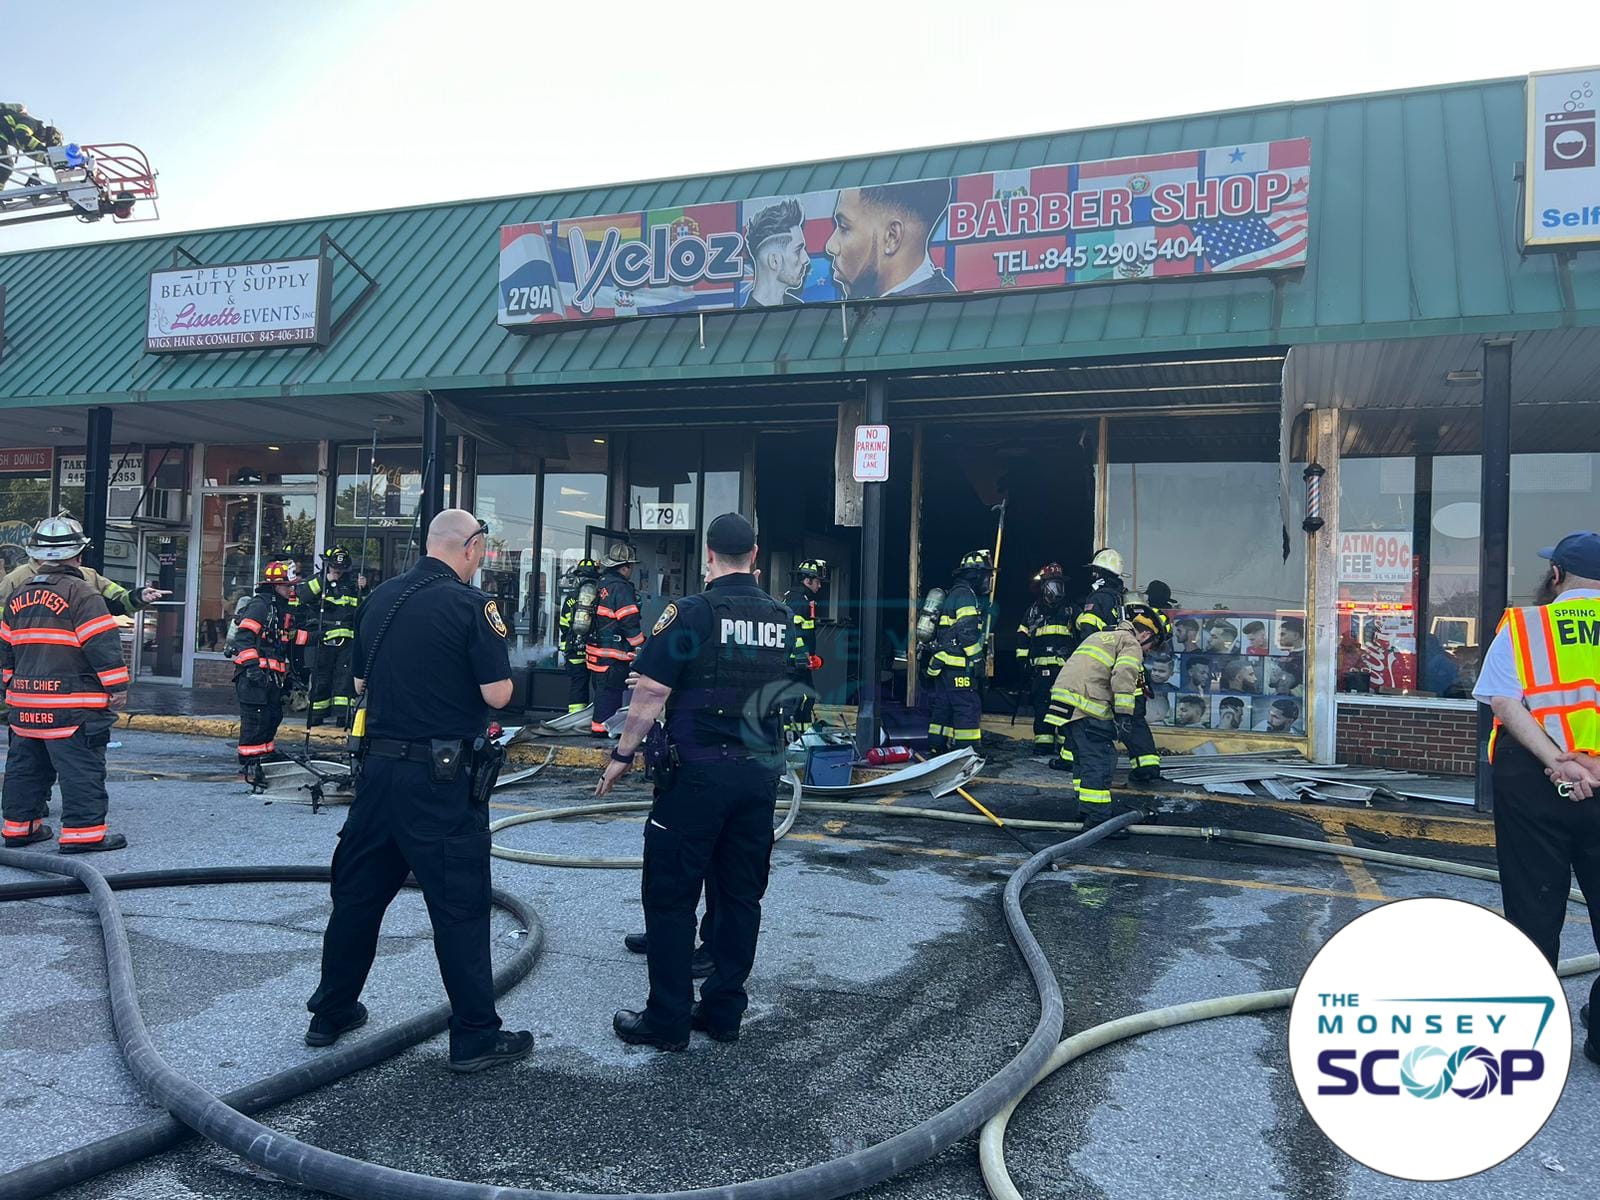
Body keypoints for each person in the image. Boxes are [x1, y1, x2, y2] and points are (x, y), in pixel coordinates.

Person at [306, 509, 533, 1074]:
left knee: (357, 897)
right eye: (483, 548)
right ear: (471, 547)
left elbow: (360, 682)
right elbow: (499, 694)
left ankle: (330, 1012)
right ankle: (476, 1036)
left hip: (377, 776)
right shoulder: (474, 606)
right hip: (440, 782)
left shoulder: (381, 599)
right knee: (459, 906)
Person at [596, 512, 790, 1050]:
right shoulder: (781, 615)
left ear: (708, 556)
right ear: (755, 555)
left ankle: (668, 1020)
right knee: (739, 896)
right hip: (758, 774)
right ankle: (724, 1012)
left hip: (698, 776)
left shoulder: (692, 611)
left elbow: (652, 693)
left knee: (671, 896)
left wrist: (623, 754)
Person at [1473, 533, 1600, 1068]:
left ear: (1556, 577)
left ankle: (1531, 1042)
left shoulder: (1527, 625)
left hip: (1534, 781)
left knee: (1533, 909)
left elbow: (1504, 700)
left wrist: (1559, 761)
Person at [1, 518, 130, 853]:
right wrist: (117, 688)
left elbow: (5, 647)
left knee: (25, 767)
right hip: (71, 706)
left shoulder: (18, 594)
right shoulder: (82, 594)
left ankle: (19, 829)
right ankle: (83, 835)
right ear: (79, 555)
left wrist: (10, 687)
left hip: (25, 705)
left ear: (37, 555)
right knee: (80, 768)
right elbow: (102, 645)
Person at [1046, 602, 1167, 833]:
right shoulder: (1130, 642)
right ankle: (1098, 820)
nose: (1149, 652)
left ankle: (1086, 808)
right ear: (1145, 634)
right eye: (1152, 645)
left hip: (1065, 705)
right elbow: (1124, 675)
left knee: (1083, 759)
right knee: (1101, 759)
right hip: (1086, 705)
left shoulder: (1102, 636)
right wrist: (1124, 714)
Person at [230, 560, 304, 785]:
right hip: (253, 677)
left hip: (272, 677)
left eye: (292, 585)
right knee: (256, 720)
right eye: (287, 585)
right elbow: (243, 638)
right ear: (274, 586)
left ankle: (264, 758)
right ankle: (250, 766)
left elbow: (285, 642)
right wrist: (252, 669)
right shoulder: (260, 606)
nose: (291, 589)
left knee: (273, 717)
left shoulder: (282, 609)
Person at [824, 180, 956, 299]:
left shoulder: (924, 315)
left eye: (843, 227)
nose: (830, 246)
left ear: (892, 237)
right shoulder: (941, 305)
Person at [925, 549, 992, 754]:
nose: (987, 580)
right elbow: (966, 631)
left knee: (943, 709)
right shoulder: (965, 596)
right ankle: (967, 751)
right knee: (967, 707)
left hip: (944, 665)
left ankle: (937, 747)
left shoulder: (955, 593)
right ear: (975, 575)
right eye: (986, 575)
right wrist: (978, 660)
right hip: (958, 666)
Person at [299, 547, 367, 728]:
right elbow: (302, 596)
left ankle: (342, 715)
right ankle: (316, 714)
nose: (337, 571)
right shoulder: (316, 581)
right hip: (322, 638)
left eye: (341, 567)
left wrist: (364, 589)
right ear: (327, 565)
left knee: (344, 679)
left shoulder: (352, 584)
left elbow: (366, 607)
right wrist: (324, 581)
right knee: (321, 677)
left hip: (347, 639)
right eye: (334, 567)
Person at [1016, 562, 1075, 764]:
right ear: (1043, 587)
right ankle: (1043, 744)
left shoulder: (1070, 610)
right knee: (1042, 707)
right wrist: (1022, 660)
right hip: (1041, 671)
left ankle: (1066, 747)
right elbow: (1022, 635)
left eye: (1059, 586)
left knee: (1064, 708)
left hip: (1065, 671)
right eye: (1051, 586)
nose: (1056, 591)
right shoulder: (1033, 612)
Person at [587, 543, 645, 737]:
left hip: (595, 652)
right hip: (613, 655)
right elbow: (629, 620)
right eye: (631, 566)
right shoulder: (621, 588)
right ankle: (602, 733)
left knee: (602, 693)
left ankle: (602, 728)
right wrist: (642, 646)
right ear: (625, 567)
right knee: (609, 695)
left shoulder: (600, 584)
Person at [782, 558, 828, 739]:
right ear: (807, 580)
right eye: (817, 581)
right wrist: (803, 655)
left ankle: (804, 737)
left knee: (807, 698)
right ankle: (786, 739)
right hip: (794, 663)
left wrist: (812, 656)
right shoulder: (797, 600)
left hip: (801, 662)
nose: (820, 586)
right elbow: (794, 632)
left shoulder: (803, 599)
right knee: (792, 699)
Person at [742, 198, 811, 307]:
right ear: (774, 261)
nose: (806, 259)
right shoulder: (745, 321)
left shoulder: (799, 309)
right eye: (798, 250)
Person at [558, 557, 602, 714]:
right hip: (595, 649)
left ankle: (575, 718)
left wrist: (566, 648)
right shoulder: (601, 596)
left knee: (578, 684)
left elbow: (564, 624)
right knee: (601, 686)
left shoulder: (571, 598)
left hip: (575, 649)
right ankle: (599, 717)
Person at [1075, 548, 1127, 642]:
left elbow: (1088, 630)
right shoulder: (1123, 595)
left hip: (1100, 650)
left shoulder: (1098, 598)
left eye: (1095, 569)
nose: (1093, 573)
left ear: (1099, 571)